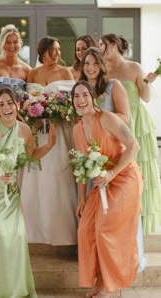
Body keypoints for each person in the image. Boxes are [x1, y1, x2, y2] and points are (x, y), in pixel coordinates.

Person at [0, 87, 56, 298]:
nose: (6, 107)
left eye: (10, 103)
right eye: (1, 104)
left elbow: (32, 155)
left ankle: (15, 290)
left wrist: (50, 145)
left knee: (16, 237)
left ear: (18, 105)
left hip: (10, 192)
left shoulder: (25, 130)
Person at [72, 80, 143, 298]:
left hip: (124, 177)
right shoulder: (77, 129)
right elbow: (82, 166)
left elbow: (134, 146)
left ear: (93, 97)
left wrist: (112, 173)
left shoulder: (108, 119)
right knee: (85, 230)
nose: (81, 100)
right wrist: (82, 199)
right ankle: (99, 279)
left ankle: (109, 284)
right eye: (76, 97)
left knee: (104, 227)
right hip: (102, 183)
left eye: (85, 95)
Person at [79, 46, 146, 273]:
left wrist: (98, 115)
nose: (90, 68)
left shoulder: (113, 86)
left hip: (114, 158)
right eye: (86, 63)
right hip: (93, 162)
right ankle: (102, 268)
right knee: (98, 219)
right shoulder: (81, 91)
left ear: (102, 65)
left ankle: (125, 265)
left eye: (95, 63)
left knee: (116, 219)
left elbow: (125, 117)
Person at [99, 33, 161, 235]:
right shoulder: (102, 71)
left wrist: (149, 83)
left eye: (104, 44)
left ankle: (140, 224)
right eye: (99, 45)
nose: (101, 48)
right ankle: (123, 220)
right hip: (117, 122)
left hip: (138, 122)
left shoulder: (134, 67)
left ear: (115, 45)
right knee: (121, 166)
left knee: (141, 166)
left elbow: (146, 97)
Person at [21, 36, 78, 246]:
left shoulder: (65, 72)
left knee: (56, 174)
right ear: (43, 51)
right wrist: (33, 112)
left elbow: (72, 102)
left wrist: (56, 112)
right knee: (36, 174)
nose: (58, 54)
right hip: (37, 132)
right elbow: (26, 101)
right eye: (53, 49)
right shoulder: (32, 73)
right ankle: (35, 229)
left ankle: (61, 230)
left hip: (58, 129)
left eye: (59, 49)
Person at [0, 24, 31, 92]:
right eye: (8, 42)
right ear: (2, 43)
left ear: (20, 43)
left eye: (15, 42)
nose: (12, 46)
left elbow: (30, 97)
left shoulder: (27, 70)